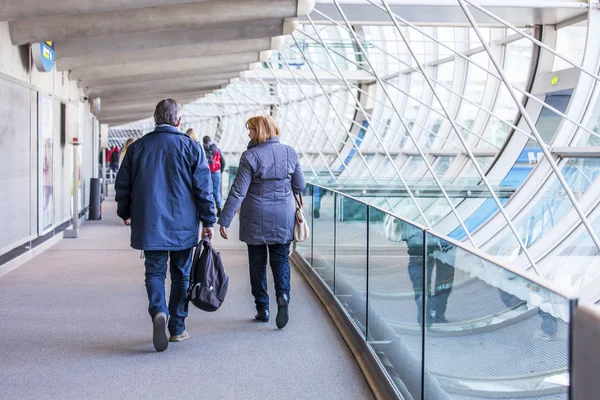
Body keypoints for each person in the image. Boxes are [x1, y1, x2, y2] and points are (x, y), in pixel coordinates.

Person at [115, 99, 216, 352]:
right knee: (181, 275)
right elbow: (204, 189)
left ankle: (159, 311)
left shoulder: (138, 148)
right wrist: (208, 220)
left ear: (155, 118)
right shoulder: (192, 148)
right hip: (183, 225)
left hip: (150, 223)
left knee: (155, 273)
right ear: (178, 121)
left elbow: (123, 186)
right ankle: (177, 328)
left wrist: (124, 212)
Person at [218, 115, 305, 329]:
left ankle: (262, 308)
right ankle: (283, 296)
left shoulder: (250, 156)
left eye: (251, 130)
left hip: (255, 215)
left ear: (261, 131)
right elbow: (300, 185)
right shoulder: (290, 152)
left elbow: (238, 191)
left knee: (257, 264)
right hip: (283, 215)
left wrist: (224, 220)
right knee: (280, 260)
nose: (249, 134)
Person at [203, 135, 226, 217]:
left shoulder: (204, 149)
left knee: (208, 191)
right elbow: (223, 160)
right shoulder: (217, 149)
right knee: (216, 191)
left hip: (207, 173)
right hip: (217, 173)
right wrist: (221, 171)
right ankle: (219, 207)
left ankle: (210, 210)